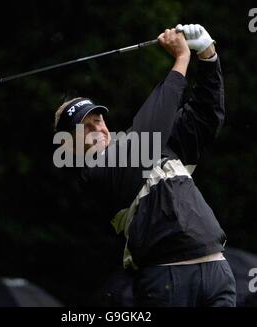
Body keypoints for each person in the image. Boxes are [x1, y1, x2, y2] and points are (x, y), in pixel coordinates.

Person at [54, 24, 236, 307]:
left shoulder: (153, 141)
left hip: (216, 266)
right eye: (84, 128)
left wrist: (208, 56)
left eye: (97, 120)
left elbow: (205, 116)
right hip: (166, 278)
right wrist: (181, 59)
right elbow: (146, 135)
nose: (97, 129)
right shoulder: (96, 174)